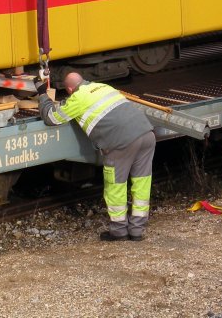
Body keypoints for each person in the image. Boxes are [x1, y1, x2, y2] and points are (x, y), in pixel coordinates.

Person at [37, 71, 156, 241]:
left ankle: (119, 231)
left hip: (121, 142)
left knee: (116, 186)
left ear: (69, 89)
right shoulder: (103, 87)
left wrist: (43, 94)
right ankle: (137, 231)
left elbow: (51, 118)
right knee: (142, 182)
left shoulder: (77, 98)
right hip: (146, 134)